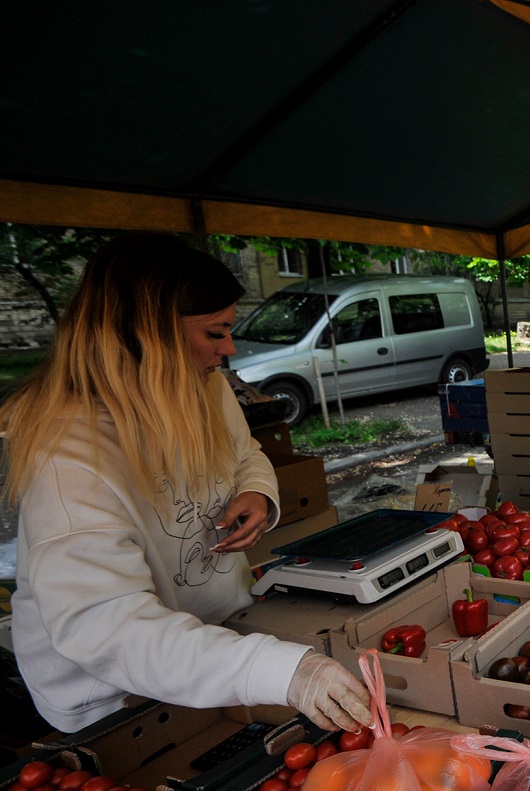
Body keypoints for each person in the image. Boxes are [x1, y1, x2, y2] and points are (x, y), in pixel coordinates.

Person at [0, 233, 373, 735]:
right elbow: (110, 627)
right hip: (116, 699)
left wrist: (258, 491)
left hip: (213, 639)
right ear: (147, 338)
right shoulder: (70, 461)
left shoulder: (200, 382)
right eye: (215, 333)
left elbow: (245, 453)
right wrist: (282, 670)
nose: (230, 348)